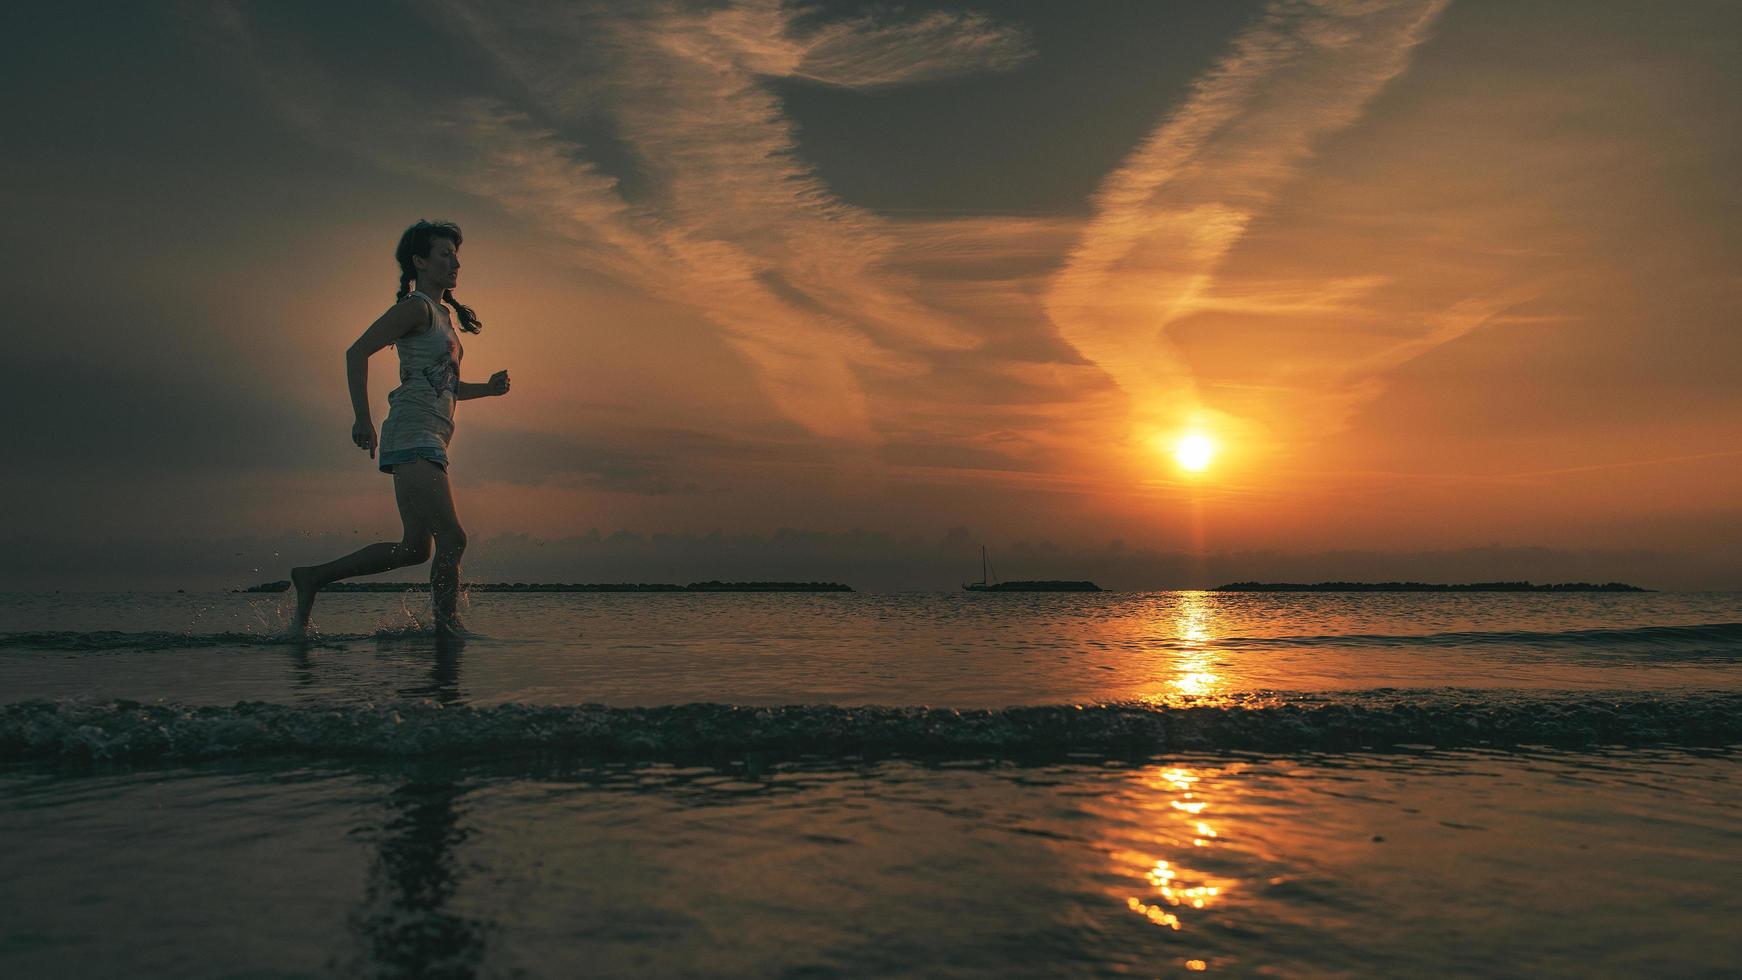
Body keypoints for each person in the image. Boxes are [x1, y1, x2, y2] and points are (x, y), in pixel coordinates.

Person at [290, 220, 510, 635]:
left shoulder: (443, 316)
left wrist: (490, 390)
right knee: (453, 539)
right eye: (445, 254)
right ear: (420, 262)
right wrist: (361, 416)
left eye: (455, 254)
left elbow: (446, 385)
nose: (455, 262)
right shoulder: (415, 307)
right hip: (413, 436)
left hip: (429, 439)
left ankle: (313, 577)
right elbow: (357, 351)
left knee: (414, 549)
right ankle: (446, 629)